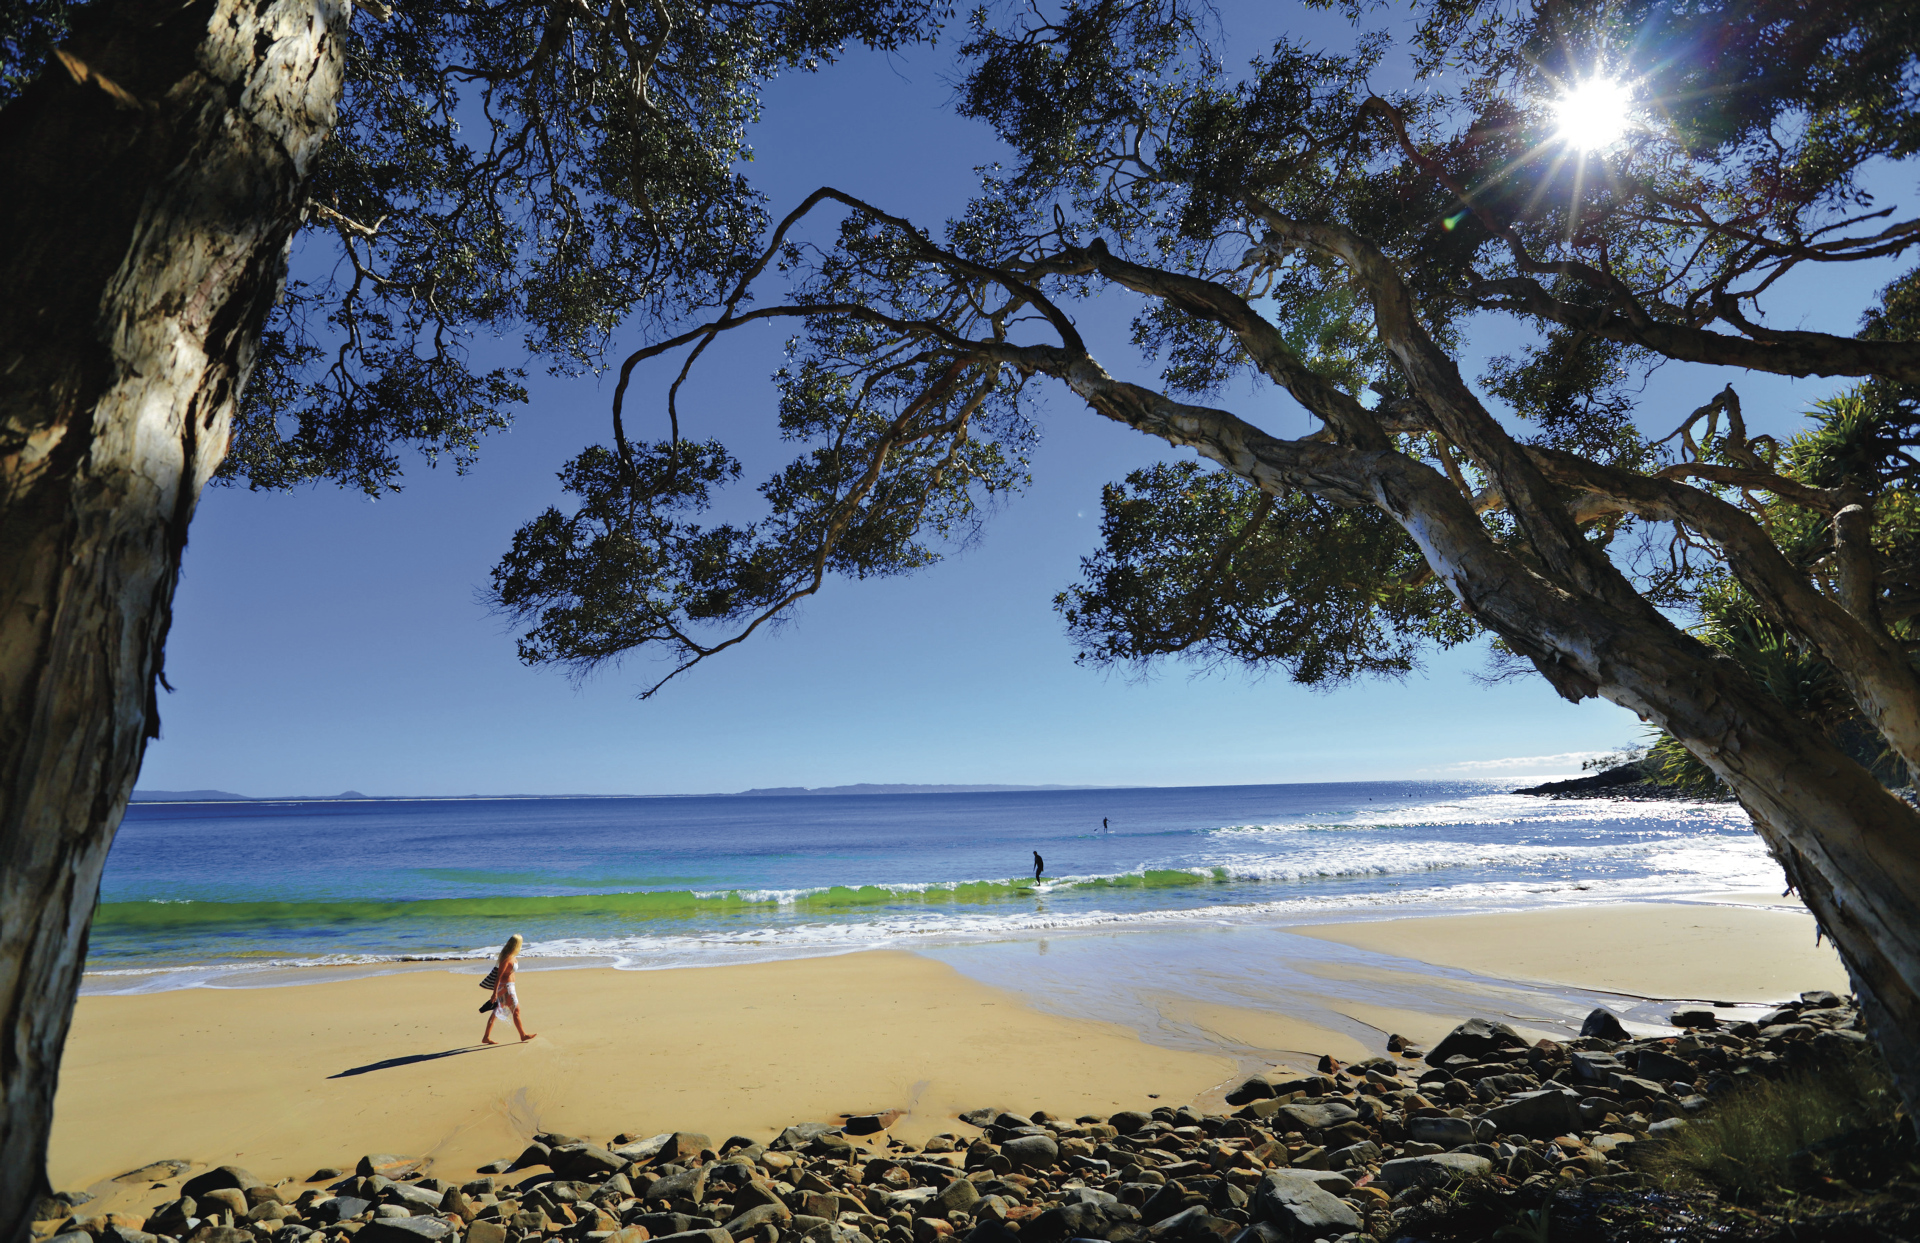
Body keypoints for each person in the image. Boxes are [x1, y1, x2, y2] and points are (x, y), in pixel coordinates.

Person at [482, 933, 537, 1044]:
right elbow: (499, 976)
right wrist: (494, 993)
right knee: (515, 1010)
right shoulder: (506, 959)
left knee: (497, 1011)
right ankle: (523, 1035)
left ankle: (486, 1037)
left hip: (510, 987)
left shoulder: (511, 956)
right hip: (505, 988)